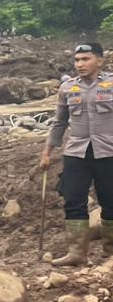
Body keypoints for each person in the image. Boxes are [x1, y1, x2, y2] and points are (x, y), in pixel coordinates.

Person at [41, 41, 113, 267]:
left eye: (86, 59)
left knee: (110, 201)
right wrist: (47, 152)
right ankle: (77, 253)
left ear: (99, 61)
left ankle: (110, 251)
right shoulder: (67, 88)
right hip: (76, 153)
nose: (80, 64)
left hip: (108, 152)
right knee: (73, 200)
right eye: (77, 60)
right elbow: (59, 123)